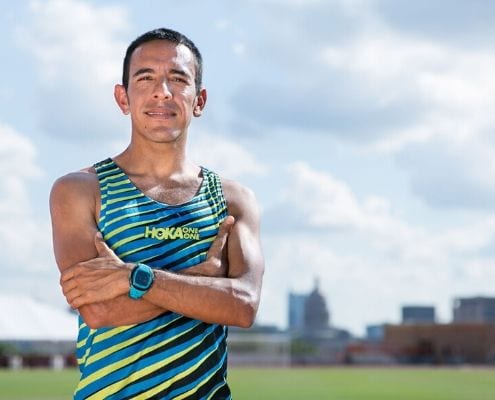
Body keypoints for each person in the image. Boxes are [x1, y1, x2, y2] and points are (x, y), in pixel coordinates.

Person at [49, 28, 264, 400]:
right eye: (145, 77)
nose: (162, 91)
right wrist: (202, 280)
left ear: (199, 100)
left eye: (178, 79)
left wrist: (133, 276)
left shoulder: (232, 199)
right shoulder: (80, 190)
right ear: (123, 97)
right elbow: (99, 311)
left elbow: (242, 305)